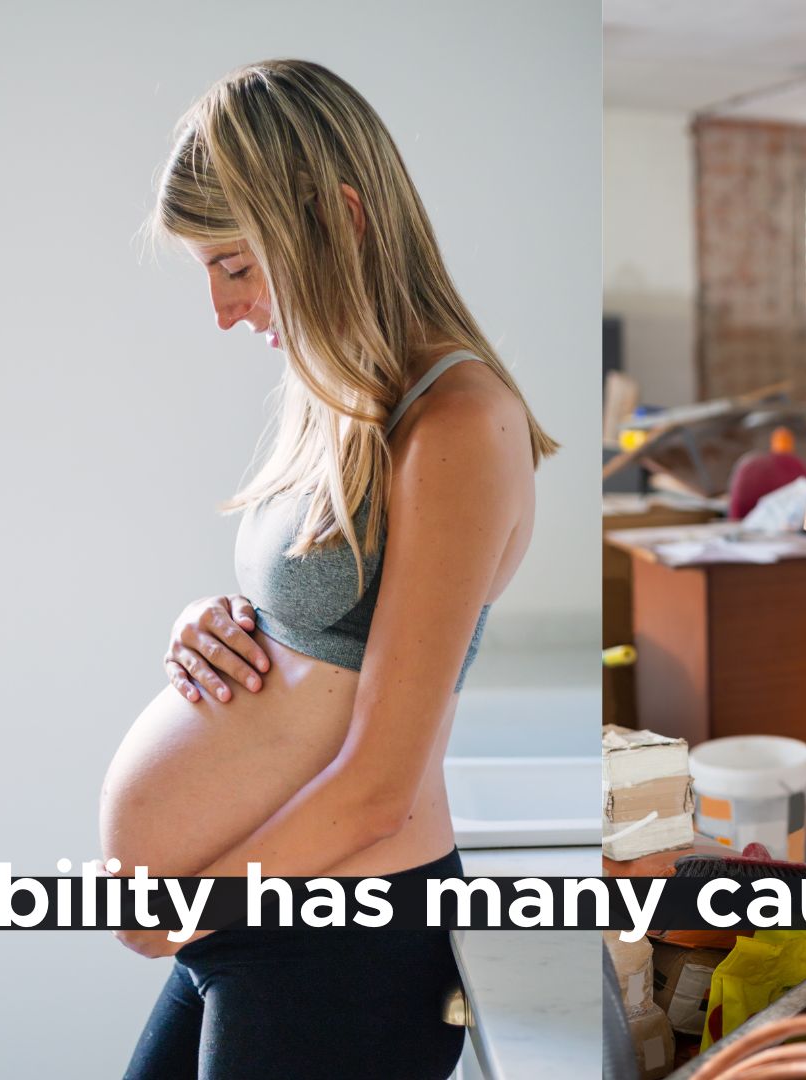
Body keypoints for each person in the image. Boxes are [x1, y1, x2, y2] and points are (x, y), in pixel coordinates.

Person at [97, 60, 555, 1078]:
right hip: (262, 913)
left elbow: (383, 783)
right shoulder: (340, 394)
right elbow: (315, 634)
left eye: (235, 266)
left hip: (345, 940)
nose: (224, 311)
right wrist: (210, 621)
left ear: (339, 217)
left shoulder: (460, 425)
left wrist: (175, 907)